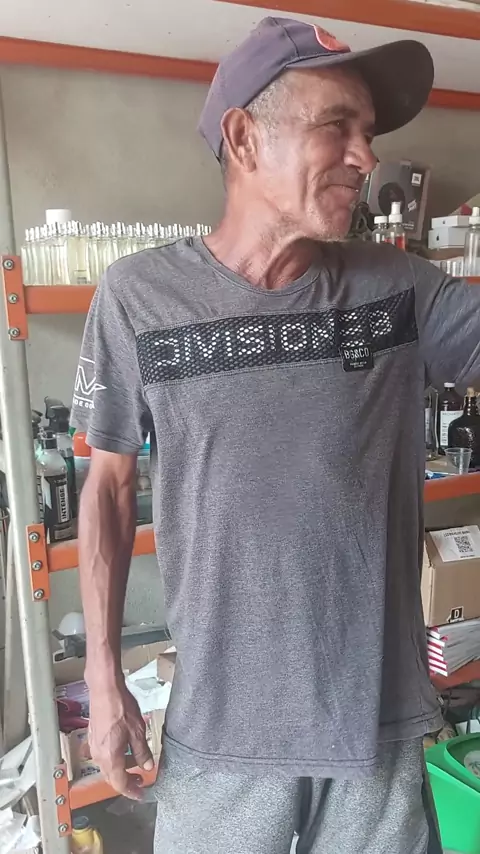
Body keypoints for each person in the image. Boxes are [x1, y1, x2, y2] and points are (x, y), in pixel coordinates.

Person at [71, 16, 480, 854]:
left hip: (374, 730)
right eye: (338, 125)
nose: (366, 157)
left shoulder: (400, 290)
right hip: (221, 733)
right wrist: (104, 679)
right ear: (244, 138)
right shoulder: (138, 299)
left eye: (369, 132)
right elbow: (107, 487)